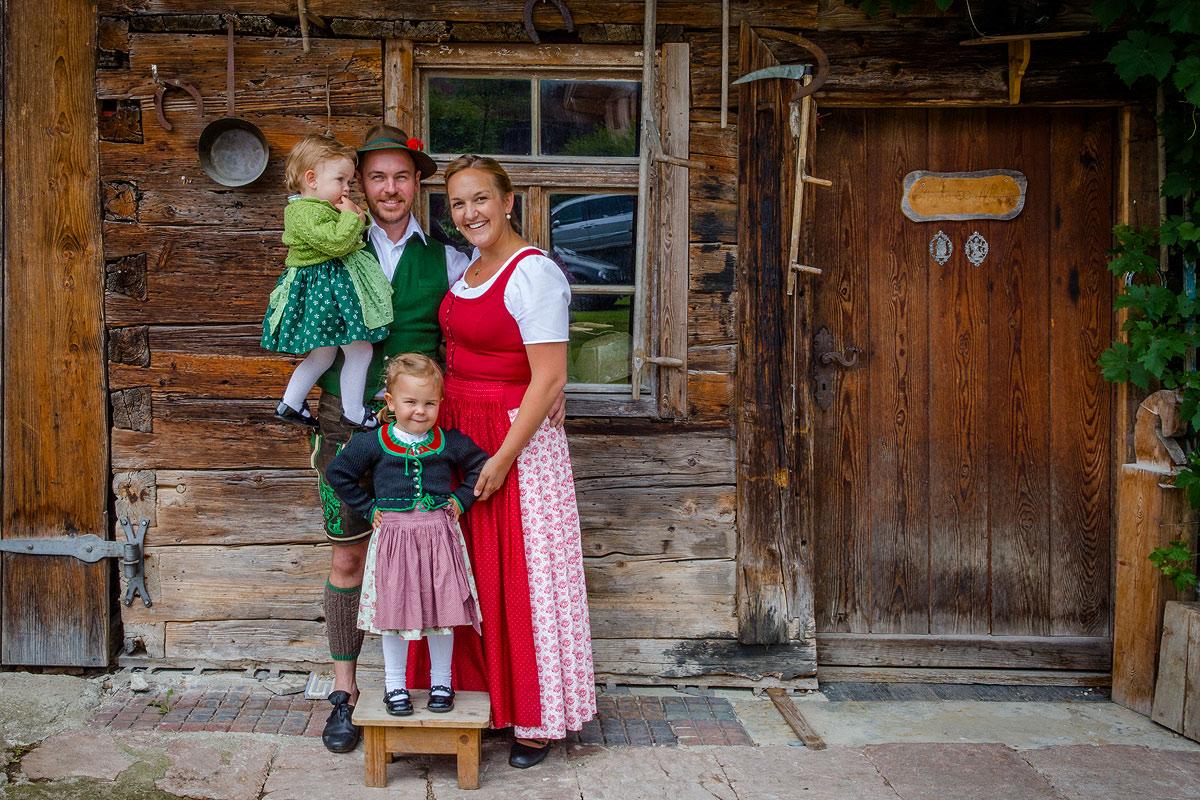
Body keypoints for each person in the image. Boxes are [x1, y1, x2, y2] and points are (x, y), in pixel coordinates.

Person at [411, 154, 596, 769]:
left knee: (519, 573)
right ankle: (476, 699)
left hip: (514, 439)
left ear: (509, 201)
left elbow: (548, 380)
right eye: (458, 204)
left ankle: (534, 717)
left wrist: (501, 460)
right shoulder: (468, 268)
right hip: (461, 432)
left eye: (481, 199)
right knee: (462, 571)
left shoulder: (533, 272)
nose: (469, 213)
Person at [310, 124, 472, 753]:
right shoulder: (329, 249)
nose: (388, 188)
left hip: (423, 432)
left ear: (417, 183)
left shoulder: (450, 258)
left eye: (400, 176)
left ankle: (430, 685)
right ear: (362, 184)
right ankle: (344, 694)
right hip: (345, 427)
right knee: (349, 556)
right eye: (375, 176)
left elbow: (479, 334)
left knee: (429, 557)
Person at [325, 354, 488, 716]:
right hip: (395, 541)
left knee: (443, 611)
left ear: (440, 403)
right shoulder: (374, 442)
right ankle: (395, 685)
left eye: (429, 403)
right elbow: (339, 473)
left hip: (438, 538)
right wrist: (368, 509)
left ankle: (442, 682)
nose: (420, 411)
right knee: (394, 613)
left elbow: (480, 465)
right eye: (411, 402)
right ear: (391, 402)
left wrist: (461, 500)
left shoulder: (448, 441)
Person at [261, 135, 394, 431]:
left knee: (324, 354)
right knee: (360, 350)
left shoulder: (323, 208)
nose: (347, 188)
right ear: (312, 179)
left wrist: (358, 219)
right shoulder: (302, 212)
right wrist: (353, 220)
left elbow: (348, 235)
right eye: (340, 180)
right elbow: (336, 243)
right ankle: (354, 411)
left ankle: (291, 403)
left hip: (330, 295)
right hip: (324, 296)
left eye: (349, 181)